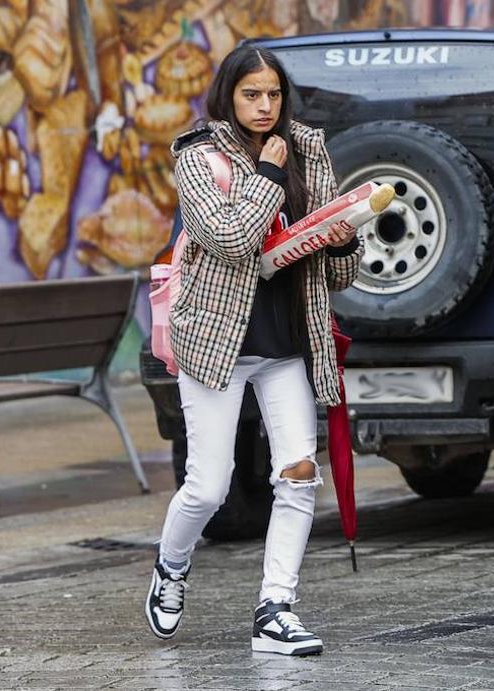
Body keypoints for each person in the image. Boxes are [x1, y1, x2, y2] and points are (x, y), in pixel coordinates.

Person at [145, 43, 363, 655]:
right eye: (251, 95)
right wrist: (268, 174)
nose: (265, 106)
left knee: (297, 473)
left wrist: (343, 243)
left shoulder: (310, 148)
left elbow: (337, 274)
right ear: (228, 95)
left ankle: (276, 608)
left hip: (288, 342)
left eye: (273, 94)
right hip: (215, 342)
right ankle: (170, 565)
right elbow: (232, 239)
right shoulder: (197, 155)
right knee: (208, 487)